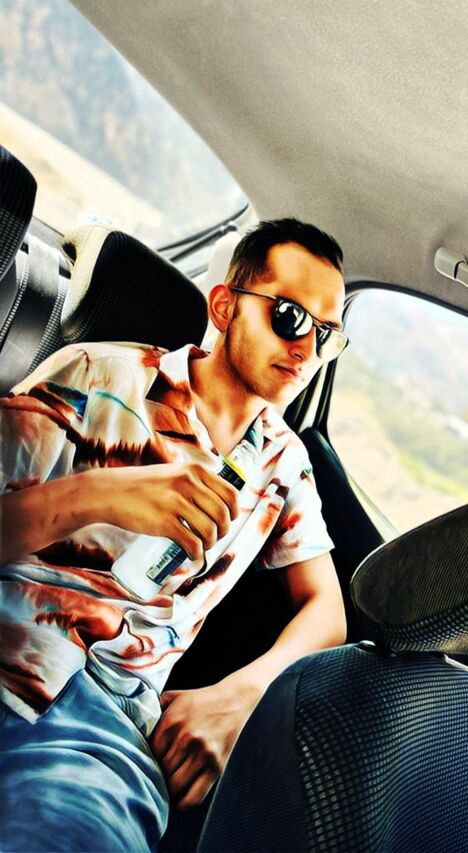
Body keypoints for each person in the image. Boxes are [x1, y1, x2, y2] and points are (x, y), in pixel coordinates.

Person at [0, 218, 348, 851]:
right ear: (225, 307)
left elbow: (326, 610)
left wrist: (240, 697)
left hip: (105, 724)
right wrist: (97, 495)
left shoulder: (284, 464)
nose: (306, 349)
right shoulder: (98, 373)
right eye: (291, 317)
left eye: (326, 335)